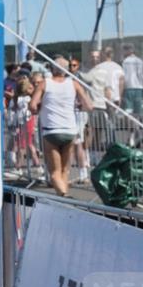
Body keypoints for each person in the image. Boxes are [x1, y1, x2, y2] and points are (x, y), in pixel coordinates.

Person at [30, 57, 93, 197]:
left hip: (51, 130)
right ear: (67, 70)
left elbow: (33, 105)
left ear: (52, 69)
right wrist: (78, 106)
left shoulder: (44, 84)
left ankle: (64, 195)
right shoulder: (74, 84)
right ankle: (64, 198)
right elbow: (89, 105)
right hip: (70, 130)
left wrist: (38, 109)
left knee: (54, 172)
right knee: (65, 170)